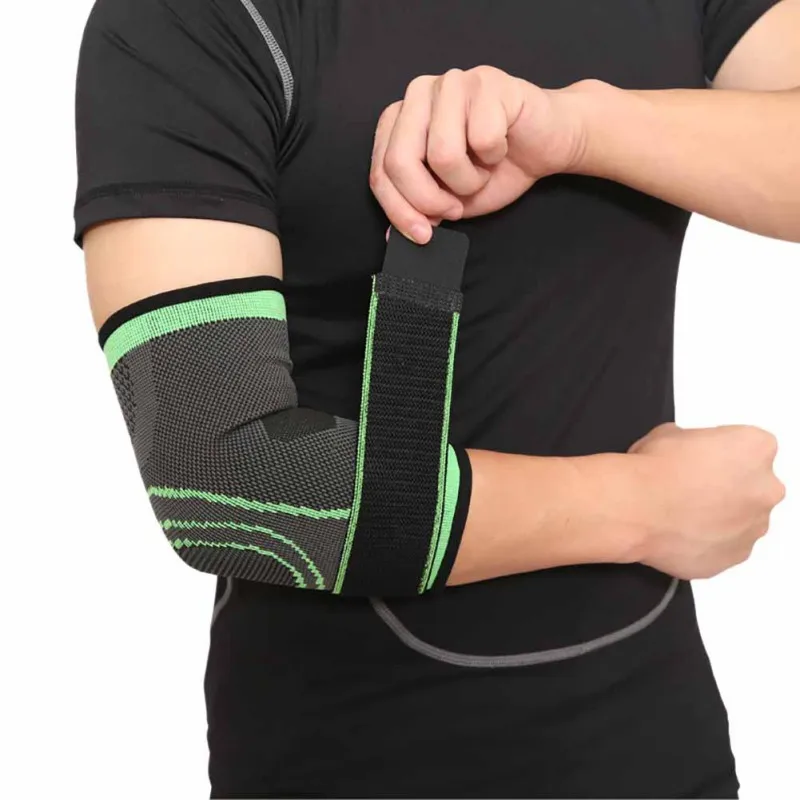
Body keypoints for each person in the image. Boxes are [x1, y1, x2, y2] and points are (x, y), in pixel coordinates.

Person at [73, 0, 798, 796]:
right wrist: (645, 507)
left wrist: (581, 128)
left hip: (657, 743)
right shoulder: (191, 18)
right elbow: (222, 482)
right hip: (346, 758)